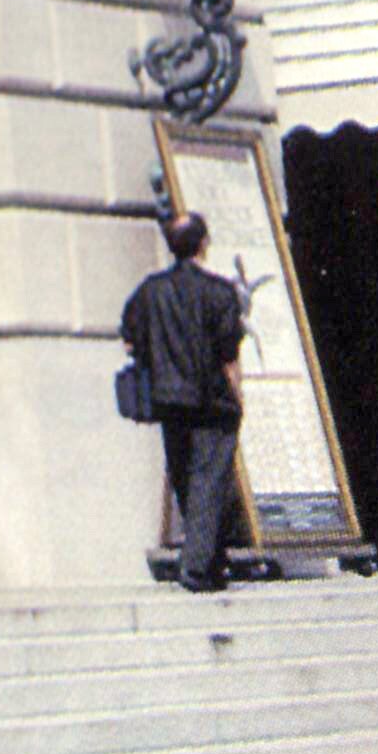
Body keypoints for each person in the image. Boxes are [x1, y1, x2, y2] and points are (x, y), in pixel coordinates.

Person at [122, 207, 254, 593]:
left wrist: (156, 358)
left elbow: (130, 339)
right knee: (210, 480)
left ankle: (209, 560)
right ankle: (197, 568)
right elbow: (229, 353)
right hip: (212, 400)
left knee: (184, 477)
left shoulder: (150, 291)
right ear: (203, 244)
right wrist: (238, 395)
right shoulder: (219, 292)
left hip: (169, 399)